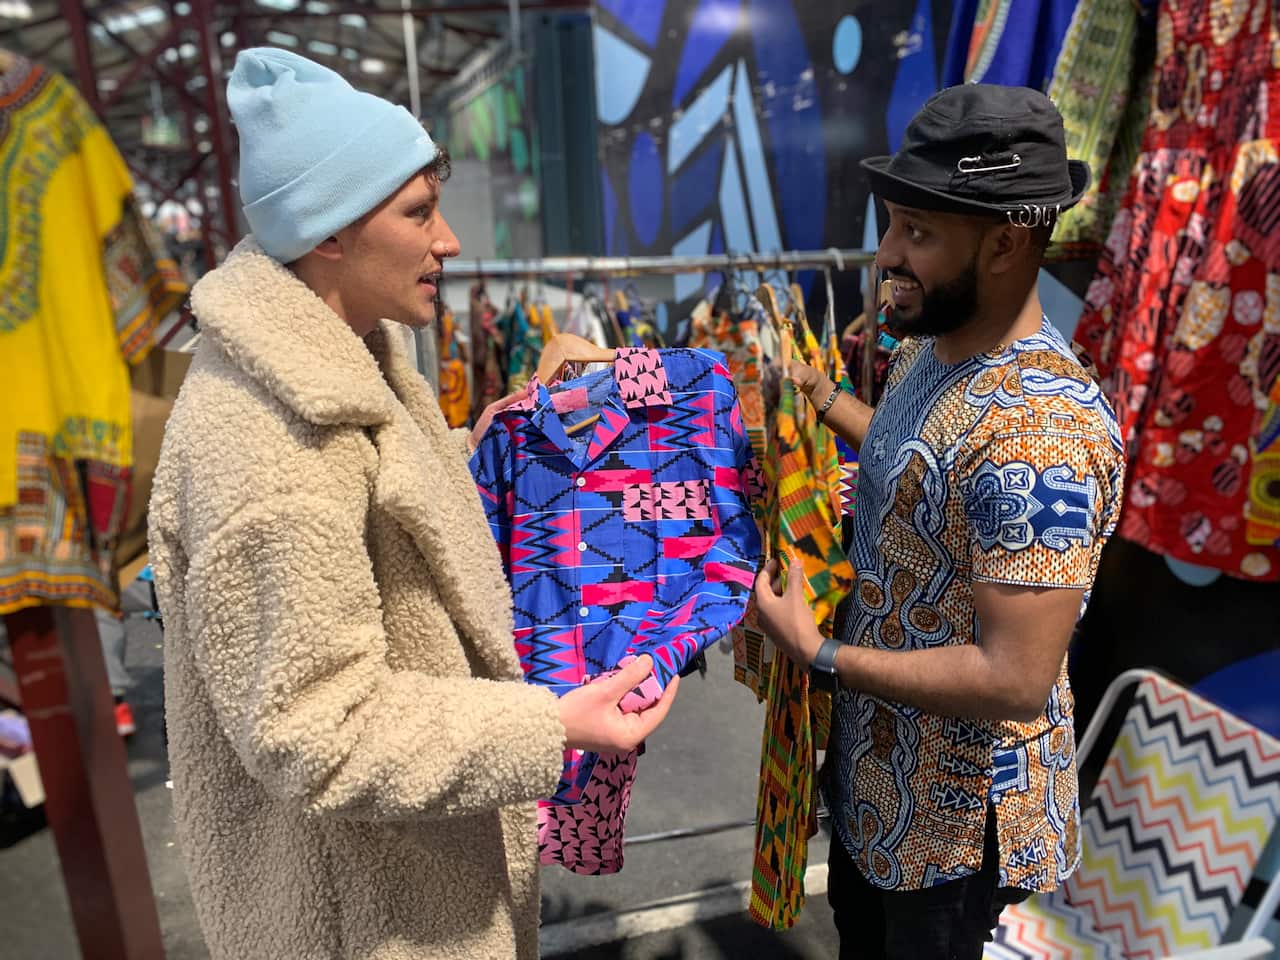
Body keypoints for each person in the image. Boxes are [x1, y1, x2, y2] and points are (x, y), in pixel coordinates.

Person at [148, 48, 679, 960]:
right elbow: (317, 727)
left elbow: (380, 541)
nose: (450, 242)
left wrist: (490, 443)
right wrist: (551, 726)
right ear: (329, 232)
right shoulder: (274, 443)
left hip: (411, 886)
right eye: (418, 213)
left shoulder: (355, 362)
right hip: (371, 921)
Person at [754, 84, 1125, 960]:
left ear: (1005, 242)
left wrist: (820, 652)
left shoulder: (1041, 434)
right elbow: (909, 449)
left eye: (917, 232)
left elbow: (1013, 677)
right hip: (878, 784)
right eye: (892, 224)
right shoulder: (933, 346)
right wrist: (816, 395)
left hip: (953, 832)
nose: (887, 255)